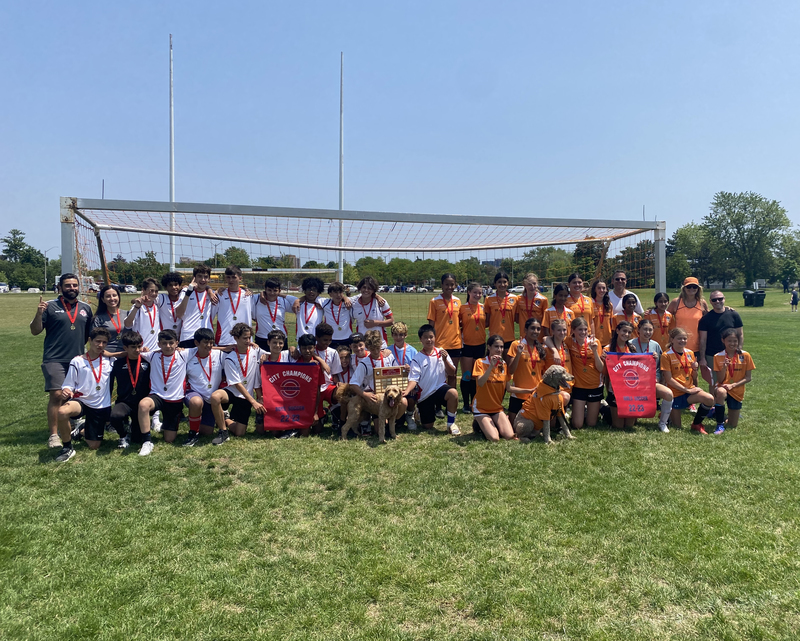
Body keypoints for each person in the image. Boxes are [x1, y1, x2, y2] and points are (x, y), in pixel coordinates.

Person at [30, 273, 94, 448]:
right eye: (68, 285)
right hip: (54, 358)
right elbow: (35, 331)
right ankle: (53, 435)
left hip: (78, 359)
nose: (72, 288)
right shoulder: (49, 306)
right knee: (57, 395)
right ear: (60, 288)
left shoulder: (85, 308)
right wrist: (38, 313)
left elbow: (90, 335)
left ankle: (73, 424)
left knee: (74, 395)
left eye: (74, 285)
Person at [53, 327, 113, 462]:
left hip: (99, 406)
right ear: (90, 341)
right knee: (62, 412)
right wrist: (67, 390)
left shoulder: (110, 360)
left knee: (94, 446)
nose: (101, 345)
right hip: (81, 401)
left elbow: (129, 355)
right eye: (98, 341)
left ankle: (81, 430)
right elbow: (68, 384)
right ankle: (67, 447)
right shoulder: (77, 361)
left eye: (104, 342)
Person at [136, 329, 192, 454]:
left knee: (169, 439)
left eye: (171, 343)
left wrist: (232, 347)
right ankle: (147, 441)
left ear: (177, 343)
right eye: (164, 343)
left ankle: (164, 426)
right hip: (157, 396)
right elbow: (132, 352)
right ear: (158, 344)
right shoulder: (153, 355)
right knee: (143, 404)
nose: (168, 346)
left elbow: (205, 348)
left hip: (175, 399)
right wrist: (108, 354)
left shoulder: (184, 354)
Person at [211, 323, 266, 444]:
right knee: (215, 397)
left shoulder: (255, 350)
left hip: (245, 397)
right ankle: (223, 432)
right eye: (244, 338)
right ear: (236, 338)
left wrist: (292, 350)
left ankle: (226, 419)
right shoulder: (230, 358)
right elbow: (237, 384)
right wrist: (253, 402)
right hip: (233, 391)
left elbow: (271, 353)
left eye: (249, 337)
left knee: (239, 433)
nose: (248, 341)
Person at [404, 324, 461, 435]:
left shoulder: (442, 353)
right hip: (425, 394)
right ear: (421, 339)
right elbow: (414, 378)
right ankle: (419, 412)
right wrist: (407, 390)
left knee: (453, 393)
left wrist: (445, 360)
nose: (429, 340)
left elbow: (452, 373)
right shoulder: (417, 358)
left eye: (431, 337)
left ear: (435, 337)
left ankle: (451, 424)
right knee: (428, 426)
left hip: (440, 388)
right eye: (425, 337)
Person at [660, 327, 716, 434]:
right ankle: (669, 414)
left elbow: (693, 377)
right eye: (679, 338)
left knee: (709, 399)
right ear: (672, 340)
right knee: (677, 427)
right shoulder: (666, 355)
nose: (682, 341)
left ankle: (696, 424)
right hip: (675, 394)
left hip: (688, 391)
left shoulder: (690, 353)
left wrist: (695, 369)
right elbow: (669, 379)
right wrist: (687, 390)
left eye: (684, 339)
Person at [182, 328, 229, 447]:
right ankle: (192, 434)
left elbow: (237, 355)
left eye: (211, 342)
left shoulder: (219, 355)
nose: (209, 345)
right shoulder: (187, 354)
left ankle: (220, 419)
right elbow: (168, 350)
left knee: (207, 432)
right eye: (205, 342)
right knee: (196, 402)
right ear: (196, 343)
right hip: (193, 393)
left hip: (211, 399)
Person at [629, 318, 674, 433]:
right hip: (633, 383)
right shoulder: (630, 344)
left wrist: (658, 378)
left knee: (668, 394)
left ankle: (663, 423)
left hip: (652, 382)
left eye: (650, 330)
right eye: (645, 329)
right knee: (630, 424)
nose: (647, 332)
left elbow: (659, 367)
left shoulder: (655, 345)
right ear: (638, 330)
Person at [349, 329, 397, 436]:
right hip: (375, 398)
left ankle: (398, 421)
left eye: (377, 347)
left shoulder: (389, 356)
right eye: (372, 348)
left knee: (403, 402)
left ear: (381, 344)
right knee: (377, 430)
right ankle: (377, 420)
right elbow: (353, 384)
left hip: (389, 394)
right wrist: (364, 395)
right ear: (368, 347)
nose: (375, 351)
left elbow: (397, 374)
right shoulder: (364, 363)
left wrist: (405, 369)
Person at [109, 330, 151, 449]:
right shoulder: (118, 364)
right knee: (115, 416)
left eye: (139, 346)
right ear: (125, 348)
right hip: (125, 402)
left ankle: (134, 426)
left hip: (142, 404)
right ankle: (123, 435)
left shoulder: (147, 361)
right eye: (133, 347)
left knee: (137, 439)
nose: (137, 350)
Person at [712, 328, 756, 434]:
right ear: (723, 341)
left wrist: (734, 385)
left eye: (735, 341)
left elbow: (748, 377)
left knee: (732, 425)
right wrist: (724, 367)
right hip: (723, 387)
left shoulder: (745, 355)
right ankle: (719, 424)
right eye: (729, 341)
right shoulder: (718, 356)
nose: (732, 343)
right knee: (721, 392)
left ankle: (717, 413)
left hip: (737, 390)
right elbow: (720, 380)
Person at [471, 335, 515, 441]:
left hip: (496, 408)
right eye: (496, 346)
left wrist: (530, 390)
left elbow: (509, 388)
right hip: (481, 408)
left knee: (509, 436)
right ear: (489, 347)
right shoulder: (480, 362)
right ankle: (479, 422)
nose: (499, 350)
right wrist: (491, 366)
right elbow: (481, 383)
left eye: (501, 347)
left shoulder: (503, 365)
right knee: (494, 438)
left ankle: (492, 422)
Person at [564, 317, 603, 430]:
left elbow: (601, 368)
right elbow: (547, 338)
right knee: (577, 425)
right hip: (578, 386)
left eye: (585, 329)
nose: (583, 332)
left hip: (594, 385)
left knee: (591, 423)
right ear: (573, 330)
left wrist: (595, 351)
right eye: (580, 329)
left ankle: (602, 408)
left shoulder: (595, 342)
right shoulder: (569, 341)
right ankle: (580, 412)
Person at [698, 291, 743, 386]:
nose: (717, 301)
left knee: (732, 379)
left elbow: (740, 334)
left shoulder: (734, 315)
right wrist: (702, 358)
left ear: (724, 299)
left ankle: (733, 400)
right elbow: (702, 340)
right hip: (712, 355)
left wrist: (739, 349)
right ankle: (714, 401)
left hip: (731, 353)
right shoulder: (706, 319)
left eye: (720, 299)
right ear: (710, 301)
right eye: (714, 300)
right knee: (714, 382)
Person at [506, 318, 546, 425]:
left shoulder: (540, 348)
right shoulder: (516, 345)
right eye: (532, 328)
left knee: (536, 426)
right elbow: (511, 370)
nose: (535, 331)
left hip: (535, 394)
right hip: (519, 393)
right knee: (514, 427)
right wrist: (518, 353)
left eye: (538, 329)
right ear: (525, 329)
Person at [427, 273, 463, 389]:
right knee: (440, 375)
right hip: (440, 344)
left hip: (455, 344)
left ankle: (451, 403)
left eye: (452, 284)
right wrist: (432, 343)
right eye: (447, 284)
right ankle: (438, 404)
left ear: (455, 285)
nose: (449, 287)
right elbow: (431, 325)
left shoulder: (458, 301)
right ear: (442, 285)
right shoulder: (434, 301)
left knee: (452, 374)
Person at [601, 320, 636, 430]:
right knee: (618, 426)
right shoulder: (607, 349)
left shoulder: (631, 349)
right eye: (624, 331)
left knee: (630, 425)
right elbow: (605, 373)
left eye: (629, 332)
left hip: (630, 389)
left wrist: (652, 357)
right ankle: (605, 409)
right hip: (615, 389)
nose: (626, 334)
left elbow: (637, 367)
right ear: (617, 330)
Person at [458, 282, 487, 413]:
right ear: (469, 292)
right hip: (467, 345)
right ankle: (465, 403)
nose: (477, 295)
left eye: (480, 293)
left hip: (480, 344)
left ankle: (474, 402)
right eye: (475, 292)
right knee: (467, 375)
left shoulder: (483, 307)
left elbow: (487, 323)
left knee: (477, 376)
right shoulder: (462, 308)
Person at [175, 265, 219, 349]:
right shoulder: (185, 291)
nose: (202, 280)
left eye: (206, 277)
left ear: (209, 279)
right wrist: (189, 293)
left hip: (207, 337)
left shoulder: (213, 295)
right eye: (199, 276)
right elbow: (179, 314)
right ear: (194, 278)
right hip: (188, 336)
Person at [388, 321, 419, 431]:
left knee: (411, 396)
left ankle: (410, 415)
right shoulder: (387, 351)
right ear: (392, 335)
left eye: (401, 334)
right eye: (395, 334)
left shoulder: (412, 351)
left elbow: (417, 370)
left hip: (408, 383)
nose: (398, 337)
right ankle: (393, 418)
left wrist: (410, 369)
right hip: (392, 384)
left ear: (405, 335)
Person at [251, 279, 298, 349]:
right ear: (265, 290)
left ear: (279, 291)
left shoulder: (283, 301)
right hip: (262, 338)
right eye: (269, 290)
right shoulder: (257, 299)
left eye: (275, 291)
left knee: (281, 360)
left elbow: (297, 301)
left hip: (280, 339)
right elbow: (245, 295)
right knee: (262, 360)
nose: (272, 293)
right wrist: (261, 293)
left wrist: (281, 295)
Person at [667, 276, 709, 354]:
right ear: (684, 288)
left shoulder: (702, 303)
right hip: (677, 345)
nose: (691, 289)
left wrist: (726, 308)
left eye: (694, 287)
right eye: (689, 287)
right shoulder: (676, 302)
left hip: (696, 347)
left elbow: (711, 317)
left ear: (698, 289)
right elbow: (664, 317)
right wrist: (652, 310)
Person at [215, 266, 253, 347]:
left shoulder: (249, 296)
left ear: (240, 278)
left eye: (234, 277)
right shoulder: (220, 295)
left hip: (245, 341)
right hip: (224, 341)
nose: (231, 280)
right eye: (228, 277)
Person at [352, 276, 393, 348]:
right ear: (360, 288)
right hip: (362, 347)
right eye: (364, 287)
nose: (366, 290)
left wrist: (376, 323)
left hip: (380, 345)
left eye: (369, 288)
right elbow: (343, 298)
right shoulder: (354, 303)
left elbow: (391, 321)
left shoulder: (381, 302)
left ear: (373, 290)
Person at [484, 272, 518, 358]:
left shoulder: (515, 298)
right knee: (494, 365)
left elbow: (517, 318)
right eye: (499, 282)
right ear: (495, 283)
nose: (502, 284)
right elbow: (487, 321)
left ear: (508, 283)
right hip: (494, 338)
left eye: (504, 282)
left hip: (509, 337)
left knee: (509, 367)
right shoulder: (489, 299)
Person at [124, 277, 161, 352]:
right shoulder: (138, 306)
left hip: (156, 350)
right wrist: (136, 306)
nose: (154, 294)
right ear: (143, 290)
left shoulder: (157, 303)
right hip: (141, 350)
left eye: (156, 291)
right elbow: (127, 324)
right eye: (151, 291)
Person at [543, 318, 573, 408]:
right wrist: (554, 350)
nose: (562, 333)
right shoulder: (546, 349)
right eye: (559, 330)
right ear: (552, 331)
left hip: (568, 385)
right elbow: (545, 338)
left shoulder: (567, 343)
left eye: (564, 330)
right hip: (553, 387)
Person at [92, 284, 125, 352]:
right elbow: (94, 341)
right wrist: (110, 354)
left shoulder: (128, 314)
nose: (112, 298)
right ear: (103, 300)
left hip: (127, 355)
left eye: (114, 295)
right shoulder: (98, 318)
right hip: (106, 356)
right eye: (108, 296)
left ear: (118, 297)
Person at [321, 282, 354, 347]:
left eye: (341, 292)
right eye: (336, 292)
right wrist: (297, 301)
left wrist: (345, 298)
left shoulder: (348, 302)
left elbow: (361, 296)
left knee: (345, 357)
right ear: (330, 294)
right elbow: (311, 297)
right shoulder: (325, 302)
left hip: (346, 338)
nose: (338, 295)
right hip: (331, 338)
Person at [515, 272, 548, 337]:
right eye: (529, 284)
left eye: (534, 283)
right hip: (524, 335)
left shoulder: (543, 299)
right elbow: (516, 318)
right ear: (524, 285)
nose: (532, 286)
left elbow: (545, 320)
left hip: (538, 336)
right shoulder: (518, 299)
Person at [294, 277, 327, 342]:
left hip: (316, 341)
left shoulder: (323, 304)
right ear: (305, 291)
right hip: (301, 341)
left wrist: (345, 298)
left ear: (318, 292)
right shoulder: (298, 303)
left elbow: (337, 299)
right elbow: (280, 295)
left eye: (314, 289)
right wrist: (298, 300)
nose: (311, 291)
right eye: (309, 289)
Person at [157, 272, 185, 338]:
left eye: (176, 284)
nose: (174, 287)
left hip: (181, 338)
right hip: (165, 338)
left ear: (180, 286)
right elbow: (148, 299)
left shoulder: (183, 298)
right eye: (170, 285)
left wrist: (209, 290)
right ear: (165, 287)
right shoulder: (162, 298)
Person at [591, 279, 613, 350]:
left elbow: (611, 323)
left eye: (603, 288)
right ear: (595, 289)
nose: (601, 290)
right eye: (599, 288)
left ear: (606, 290)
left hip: (607, 339)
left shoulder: (609, 305)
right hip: (595, 340)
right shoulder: (590, 304)